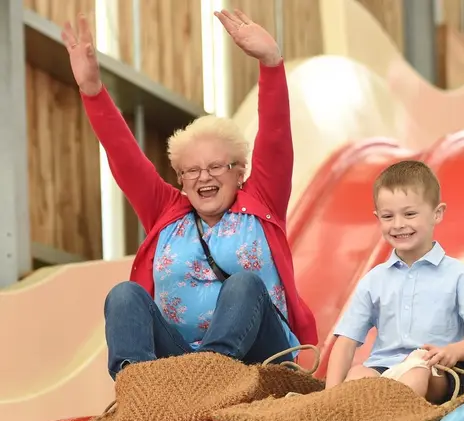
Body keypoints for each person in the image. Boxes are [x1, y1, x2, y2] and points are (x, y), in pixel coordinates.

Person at [61, 10, 318, 379]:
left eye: (216, 167)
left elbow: (276, 138)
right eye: (192, 171)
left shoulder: (261, 201)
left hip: (261, 358)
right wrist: (92, 92)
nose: (204, 177)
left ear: (239, 171)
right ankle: (140, 387)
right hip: (182, 362)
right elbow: (126, 159)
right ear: (180, 179)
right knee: (124, 295)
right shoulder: (167, 213)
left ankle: (209, 376)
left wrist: (270, 63)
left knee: (243, 284)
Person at [326, 160, 464, 403]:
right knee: (357, 374)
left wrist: (453, 351)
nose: (398, 224)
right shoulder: (374, 280)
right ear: (377, 218)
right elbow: (345, 342)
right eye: (388, 216)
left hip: (440, 368)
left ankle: (394, 420)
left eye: (409, 214)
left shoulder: (460, 276)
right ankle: (360, 415)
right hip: (386, 369)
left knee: (417, 373)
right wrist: (329, 396)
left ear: (437, 213)